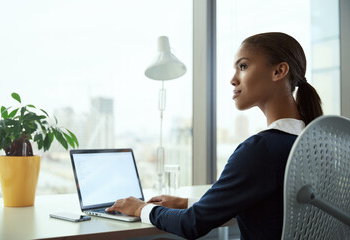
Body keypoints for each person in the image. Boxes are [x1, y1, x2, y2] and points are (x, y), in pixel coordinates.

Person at [105, 32, 323, 239]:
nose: (233, 79)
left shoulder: (261, 148)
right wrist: (187, 202)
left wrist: (142, 208)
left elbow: (191, 224)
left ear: (278, 71)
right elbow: (268, 207)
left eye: (243, 66)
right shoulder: (315, 145)